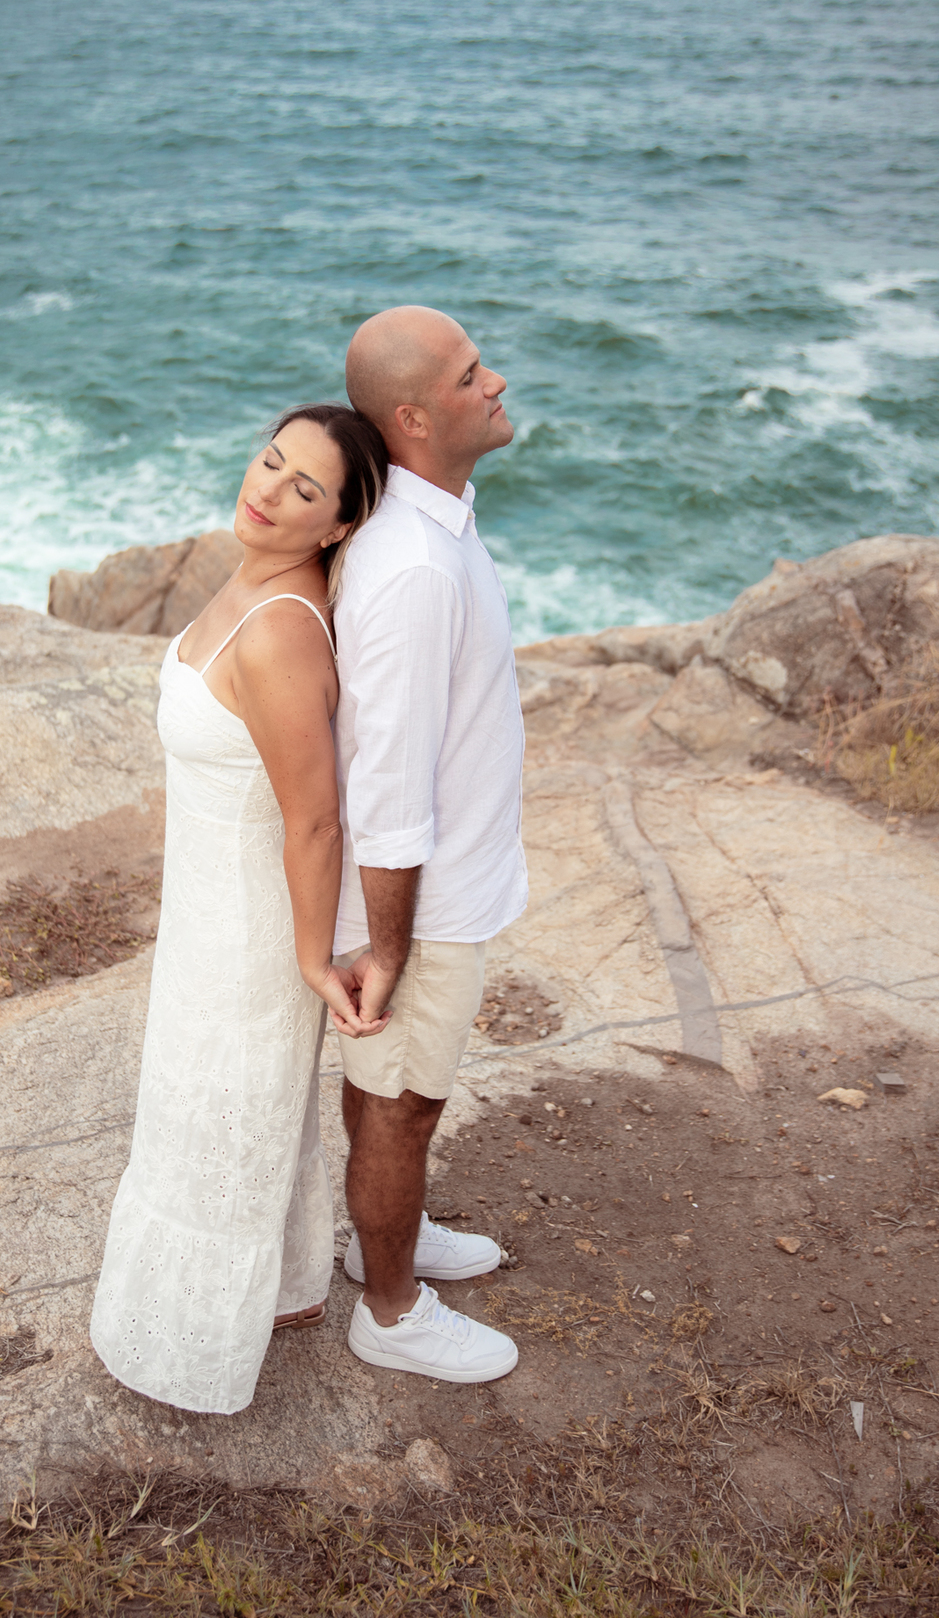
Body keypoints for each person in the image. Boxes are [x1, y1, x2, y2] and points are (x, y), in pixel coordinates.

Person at [90, 403, 390, 1416]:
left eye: (305, 488)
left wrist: (310, 960)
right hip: (206, 909)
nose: (267, 490)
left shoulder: (281, 632)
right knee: (218, 1113)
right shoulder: (252, 576)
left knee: (217, 1119)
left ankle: (192, 1348)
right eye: (270, 461)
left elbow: (316, 820)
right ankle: (289, 1287)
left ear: (337, 525)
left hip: (251, 934)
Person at [335, 306, 528, 1383]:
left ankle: (384, 1241)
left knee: (389, 1094)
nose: (494, 381)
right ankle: (393, 1310)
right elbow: (390, 787)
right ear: (411, 418)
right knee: (403, 1106)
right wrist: (391, 946)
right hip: (423, 901)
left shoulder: (438, 523)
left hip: (447, 885)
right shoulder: (412, 565)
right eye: (468, 375)